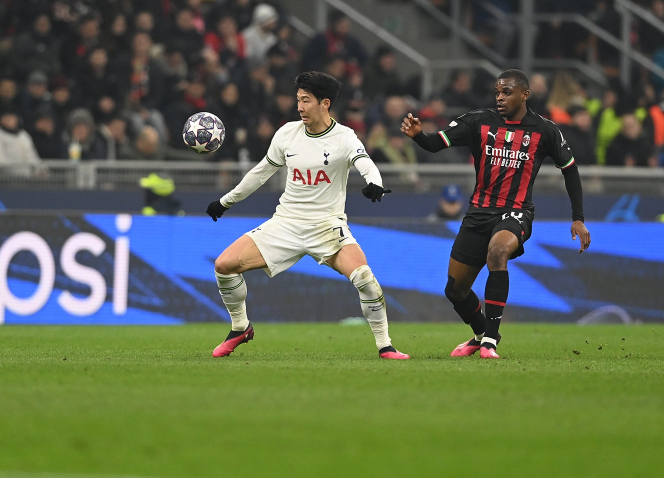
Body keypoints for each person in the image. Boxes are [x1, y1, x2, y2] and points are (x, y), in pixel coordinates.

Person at [205, 71, 409, 360]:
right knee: (224, 265)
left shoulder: (344, 137)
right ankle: (240, 327)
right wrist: (225, 202)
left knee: (364, 278)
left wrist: (374, 183)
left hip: (327, 226)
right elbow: (261, 172)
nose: (299, 107)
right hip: (286, 224)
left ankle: (385, 345)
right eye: (298, 100)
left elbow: (365, 162)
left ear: (325, 103)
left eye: (306, 100)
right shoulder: (287, 134)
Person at [400, 69, 590, 359]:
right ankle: (480, 333)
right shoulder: (478, 121)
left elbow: (570, 170)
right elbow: (435, 143)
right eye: (497, 92)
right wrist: (418, 136)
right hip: (478, 212)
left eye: (507, 92)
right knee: (455, 291)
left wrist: (578, 217)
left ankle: (490, 339)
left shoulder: (545, 130)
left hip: (516, 212)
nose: (500, 98)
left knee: (498, 251)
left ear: (525, 95)